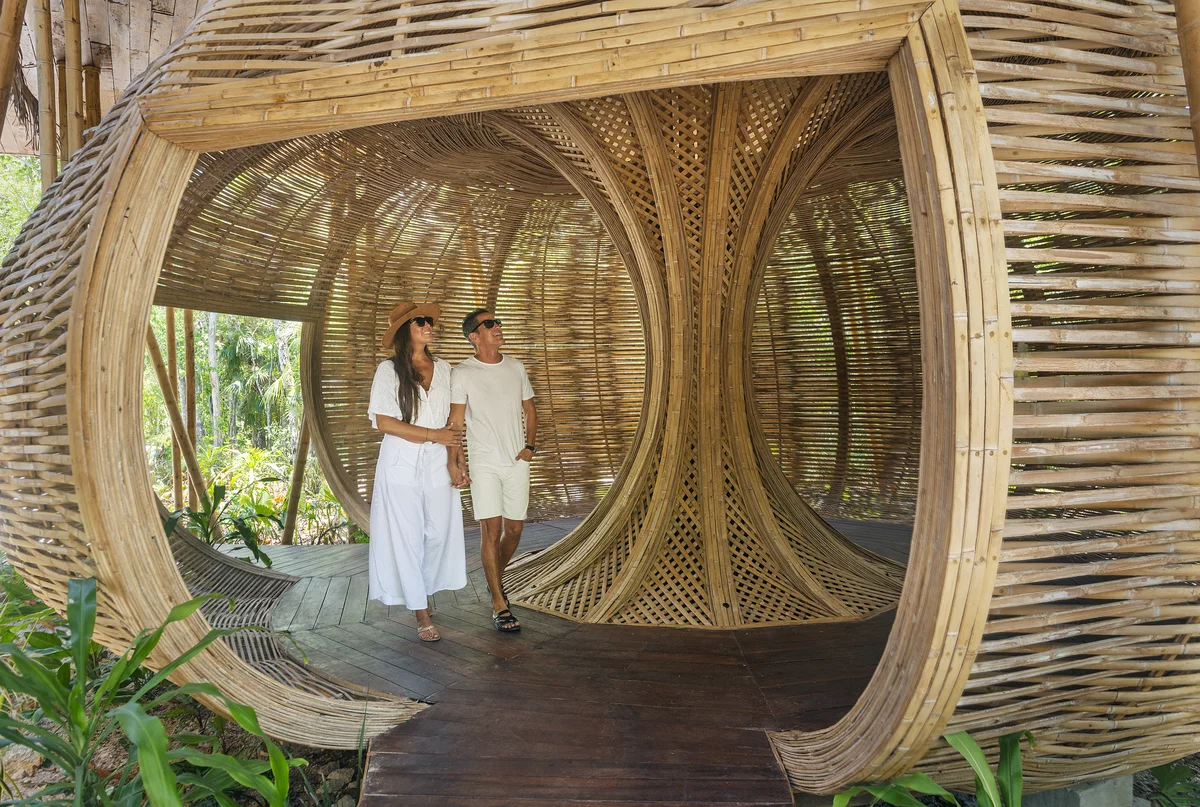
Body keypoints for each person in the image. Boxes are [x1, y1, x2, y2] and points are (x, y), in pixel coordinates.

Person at [367, 301, 466, 642]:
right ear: (403, 332)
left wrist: (456, 460)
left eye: (428, 321)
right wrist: (433, 435)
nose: (428, 325)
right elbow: (384, 422)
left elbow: (454, 422)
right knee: (407, 536)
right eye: (420, 321)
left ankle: (421, 589)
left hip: (438, 458)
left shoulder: (445, 368)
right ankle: (420, 610)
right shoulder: (388, 371)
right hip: (400, 461)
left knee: (438, 532)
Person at [448, 309, 537, 633]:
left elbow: (530, 409)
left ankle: (492, 580)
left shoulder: (515, 367)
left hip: (516, 461)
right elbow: (455, 422)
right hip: (484, 463)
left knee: (514, 531)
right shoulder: (462, 373)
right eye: (490, 324)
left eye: (498, 322)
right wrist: (454, 461)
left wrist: (530, 447)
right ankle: (499, 603)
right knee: (491, 530)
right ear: (474, 336)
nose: (497, 326)